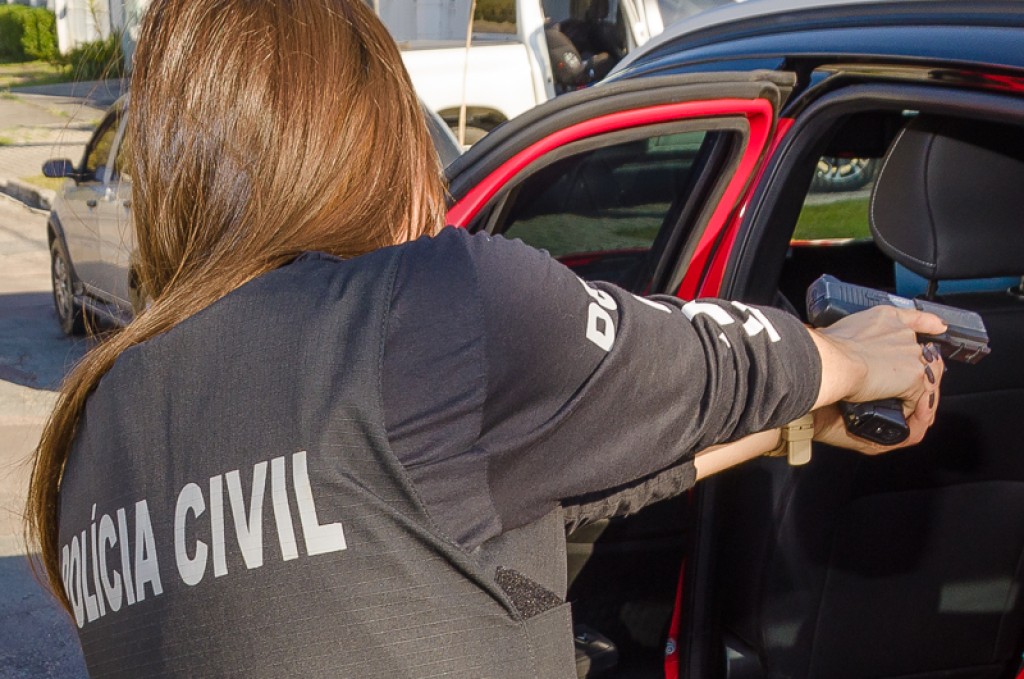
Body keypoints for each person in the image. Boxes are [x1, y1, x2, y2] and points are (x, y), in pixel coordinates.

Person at [25, 1, 944, 677]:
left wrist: (797, 423)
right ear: (360, 143)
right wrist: (853, 355)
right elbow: (692, 365)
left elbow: (517, 492)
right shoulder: (421, 308)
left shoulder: (93, 438)